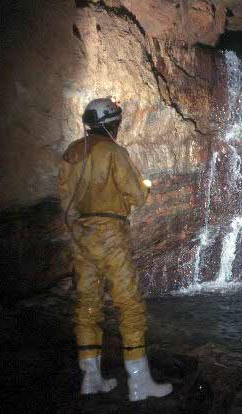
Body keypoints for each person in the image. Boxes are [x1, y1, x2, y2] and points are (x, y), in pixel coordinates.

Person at [59, 97, 172, 401]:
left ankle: (91, 379)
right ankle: (139, 383)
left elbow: (65, 202)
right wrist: (146, 187)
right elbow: (137, 195)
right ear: (112, 124)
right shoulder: (114, 152)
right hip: (111, 234)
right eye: (118, 123)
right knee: (129, 305)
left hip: (82, 236)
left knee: (87, 306)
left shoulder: (71, 152)